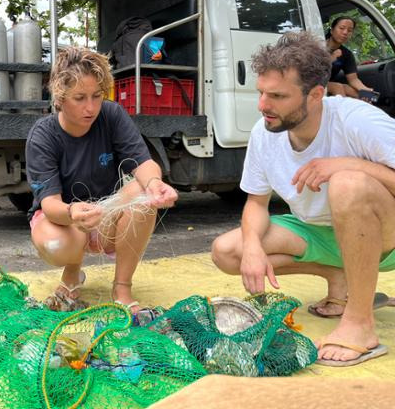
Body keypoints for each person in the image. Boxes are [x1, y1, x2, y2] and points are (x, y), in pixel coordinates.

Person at [211, 31, 395, 366]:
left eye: (278, 96)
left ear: (315, 95)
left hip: (386, 240)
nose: (263, 105)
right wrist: (252, 245)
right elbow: (255, 203)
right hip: (322, 233)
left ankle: (360, 324)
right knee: (228, 252)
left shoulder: (358, 120)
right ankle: (337, 275)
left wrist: (348, 164)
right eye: (261, 93)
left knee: (348, 183)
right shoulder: (264, 131)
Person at [25, 47, 178, 313]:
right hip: (63, 219)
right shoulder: (43, 135)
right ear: (60, 98)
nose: (91, 107)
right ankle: (72, 271)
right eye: (79, 98)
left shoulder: (112, 115)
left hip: (104, 213)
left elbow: (143, 162)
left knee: (143, 195)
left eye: (97, 96)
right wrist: (73, 212)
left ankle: (122, 287)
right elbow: (50, 204)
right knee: (56, 244)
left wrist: (155, 184)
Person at [325, 16, 373, 99]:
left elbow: (353, 80)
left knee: (361, 95)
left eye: (349, 30)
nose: (345, 32)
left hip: (326, 83)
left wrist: (366, 90)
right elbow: (312, 70)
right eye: (342, 28)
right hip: (309, 81)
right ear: (332, 30)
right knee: (338, 87)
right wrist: (331, 58)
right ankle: (342, 111)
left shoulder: (346, 54)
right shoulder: (317, 45)